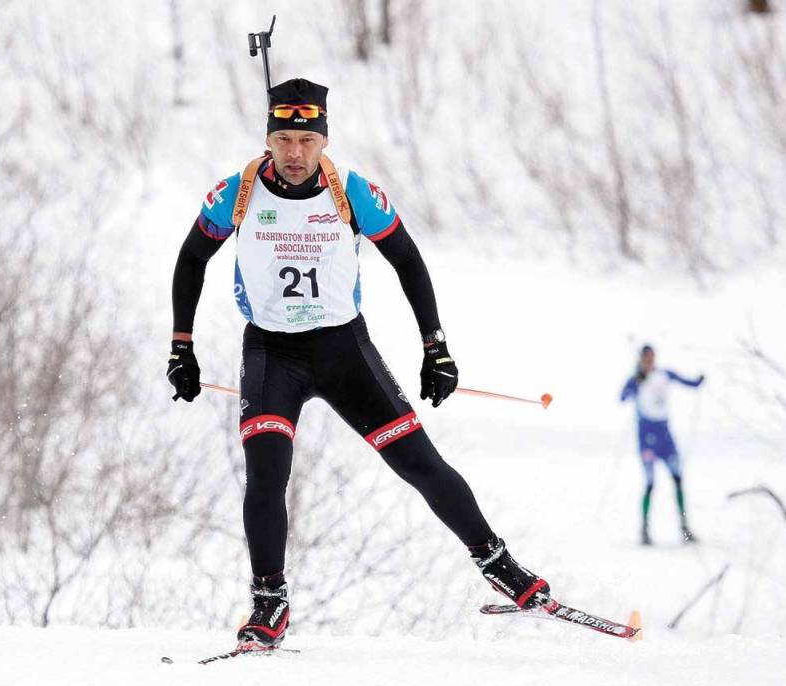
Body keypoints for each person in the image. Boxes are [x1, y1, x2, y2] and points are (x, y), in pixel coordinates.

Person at [166, 78, 550, 650]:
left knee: (419, 464)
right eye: (282, 140)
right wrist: (182, 345)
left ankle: (503, 568)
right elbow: (192, 259)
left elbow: (409, 263)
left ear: (324, 139)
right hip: (271, 352)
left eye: (306, 141)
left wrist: (435, 346)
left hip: (343, 350)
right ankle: (269, 602)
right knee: (267, 474)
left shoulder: (353, 193)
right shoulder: (236, 194)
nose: (294, 154)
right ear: (267, 139)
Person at [620, 345, 704, 545]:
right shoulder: (637, 379)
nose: (649, 361)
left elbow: (689, 383)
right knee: (650, 483)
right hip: (646, 438)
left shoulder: (664, 374)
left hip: (665, 438)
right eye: (646, 358)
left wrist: (699, 381)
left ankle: (684, 529)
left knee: (677, 479)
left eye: (652, 357)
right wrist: (636, 384)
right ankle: (645, 530)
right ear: (641, 359)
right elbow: (622, 397)